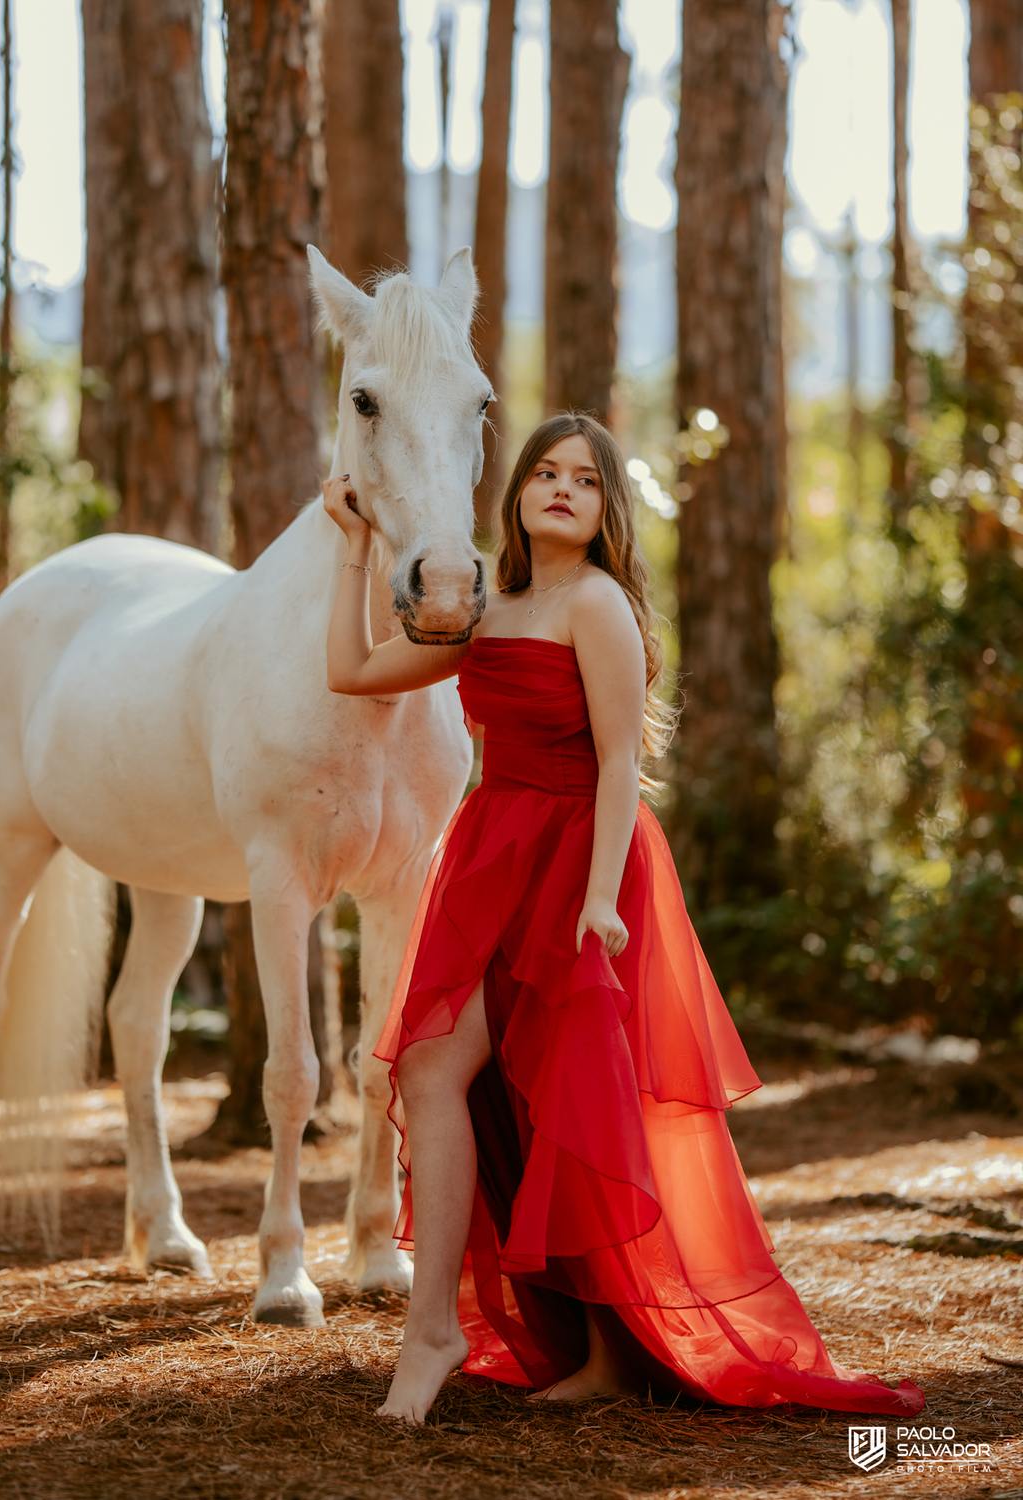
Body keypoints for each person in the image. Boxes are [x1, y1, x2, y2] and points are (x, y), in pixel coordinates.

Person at [322, 411, 924, 1426]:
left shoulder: (596, 605)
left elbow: (616, 763)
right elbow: (352, 672)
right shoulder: (487, 603)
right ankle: (433, 1333)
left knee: (577, 1099)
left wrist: (599, 895)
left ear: (607, 510)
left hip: (583, 862)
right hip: (493, 856)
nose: (563, 489)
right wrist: (353, 551)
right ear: (517, 492)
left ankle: (610, 1352)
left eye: (586, 480)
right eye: (546, 474)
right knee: (430, 1068)